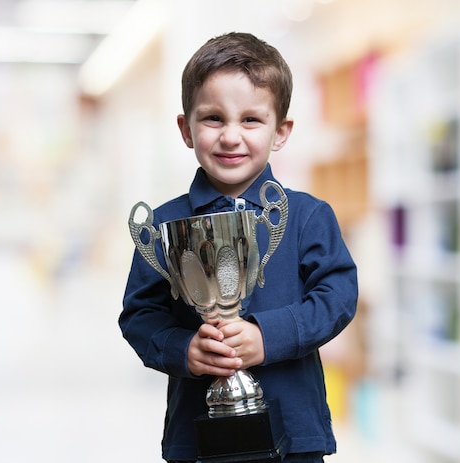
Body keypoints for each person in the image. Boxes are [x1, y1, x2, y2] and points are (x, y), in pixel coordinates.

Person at [120, 32, 358, 463]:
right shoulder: (162, 226)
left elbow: (337, 296)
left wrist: (268, 336)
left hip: (296, 434)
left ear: (281, 131)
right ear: (185, 129)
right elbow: (139, 316)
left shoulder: (307, 216)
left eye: (251, 119)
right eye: (213, 118)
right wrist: (184, 349)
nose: (231, 136)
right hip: (198, 439)